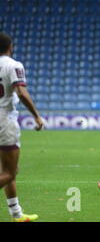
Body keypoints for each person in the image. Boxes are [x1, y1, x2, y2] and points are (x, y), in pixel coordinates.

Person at [0, 33, 44, 222]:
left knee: (5, 170)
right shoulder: (13, 65)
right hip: (4, 121)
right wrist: (36, 116)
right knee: (11, 172)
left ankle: (16, 214)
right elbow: (21, 92)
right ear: (10, 46)